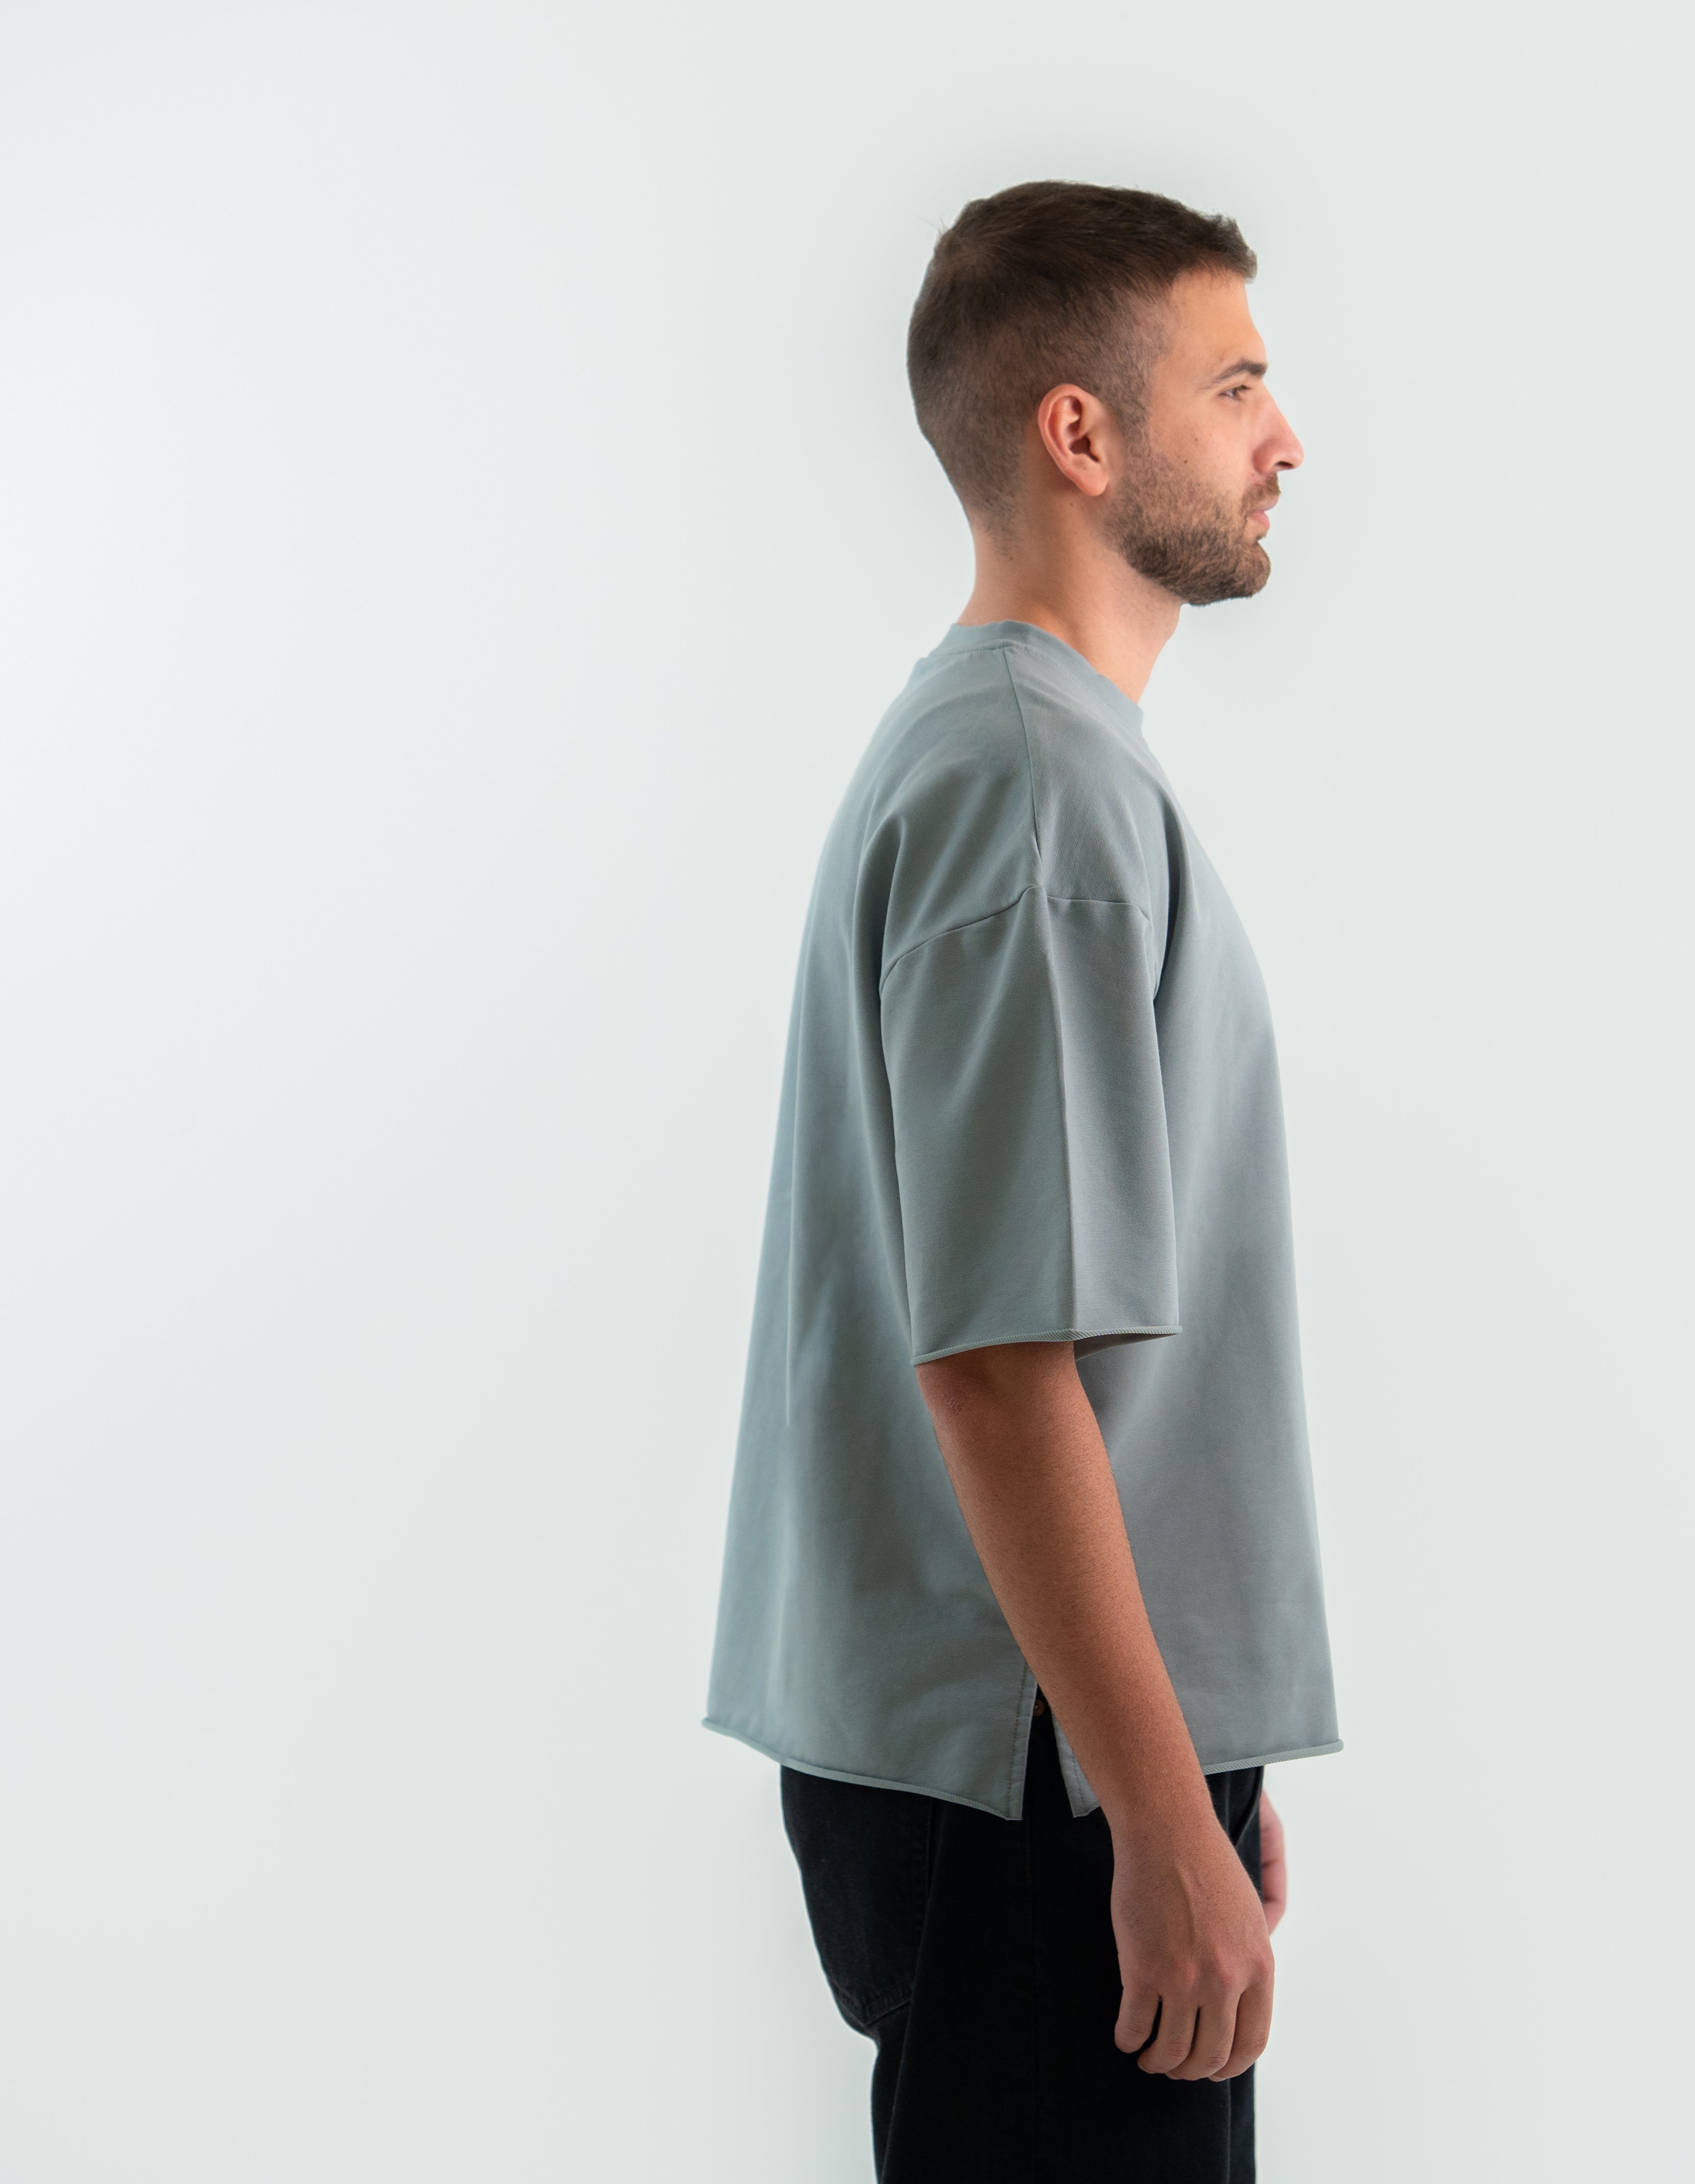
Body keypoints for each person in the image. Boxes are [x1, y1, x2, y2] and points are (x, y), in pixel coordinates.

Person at [703, 179, 1339, 2183]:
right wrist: (1149, 1801)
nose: (1285, 438)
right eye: (1233, 385)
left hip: (1050, 1749)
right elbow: (995, 1361)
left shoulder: (1019, 752)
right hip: (1032, 1783)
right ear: (1081, 433)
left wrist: (1185, 1742)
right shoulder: (1032, 782)